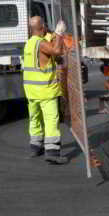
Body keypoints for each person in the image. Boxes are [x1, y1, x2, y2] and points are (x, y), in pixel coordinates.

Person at [23, 15, 67, 164]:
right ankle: (53, 151)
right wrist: (59, 34)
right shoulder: (41, 44)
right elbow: (56, 51)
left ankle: (35, 147)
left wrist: (51, 34)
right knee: (51, 120)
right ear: (42, 27)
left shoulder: (29, 43)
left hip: (31, 91)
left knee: (35, 119)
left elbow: (44, 59)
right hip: (45, 90)